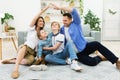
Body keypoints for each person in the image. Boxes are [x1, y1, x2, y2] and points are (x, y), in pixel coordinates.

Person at [50, 3, 120, 70]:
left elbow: (74, 10)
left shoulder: (76, 23)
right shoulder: (62, 29)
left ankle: (116, 61)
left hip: (85, 47)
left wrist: (59, 7)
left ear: (71, 20)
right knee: (91, 62)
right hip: (77, 54)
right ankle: (100, 57)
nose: (64, 22)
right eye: (63, 20)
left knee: (96, 44)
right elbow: (58, 38)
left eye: (65, 20)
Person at [1, 4, 51, 79]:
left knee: (28, 62)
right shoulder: (31, 28)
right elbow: (35, 18)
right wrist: (44, 9)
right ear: (36, 22)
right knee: (24, 47)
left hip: (33, 52)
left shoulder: (42, 32)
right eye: (40, 21)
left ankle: (12, 61)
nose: (42, 22)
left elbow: (42, 44)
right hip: (26, 47)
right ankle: (15, 69)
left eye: (43, 21)